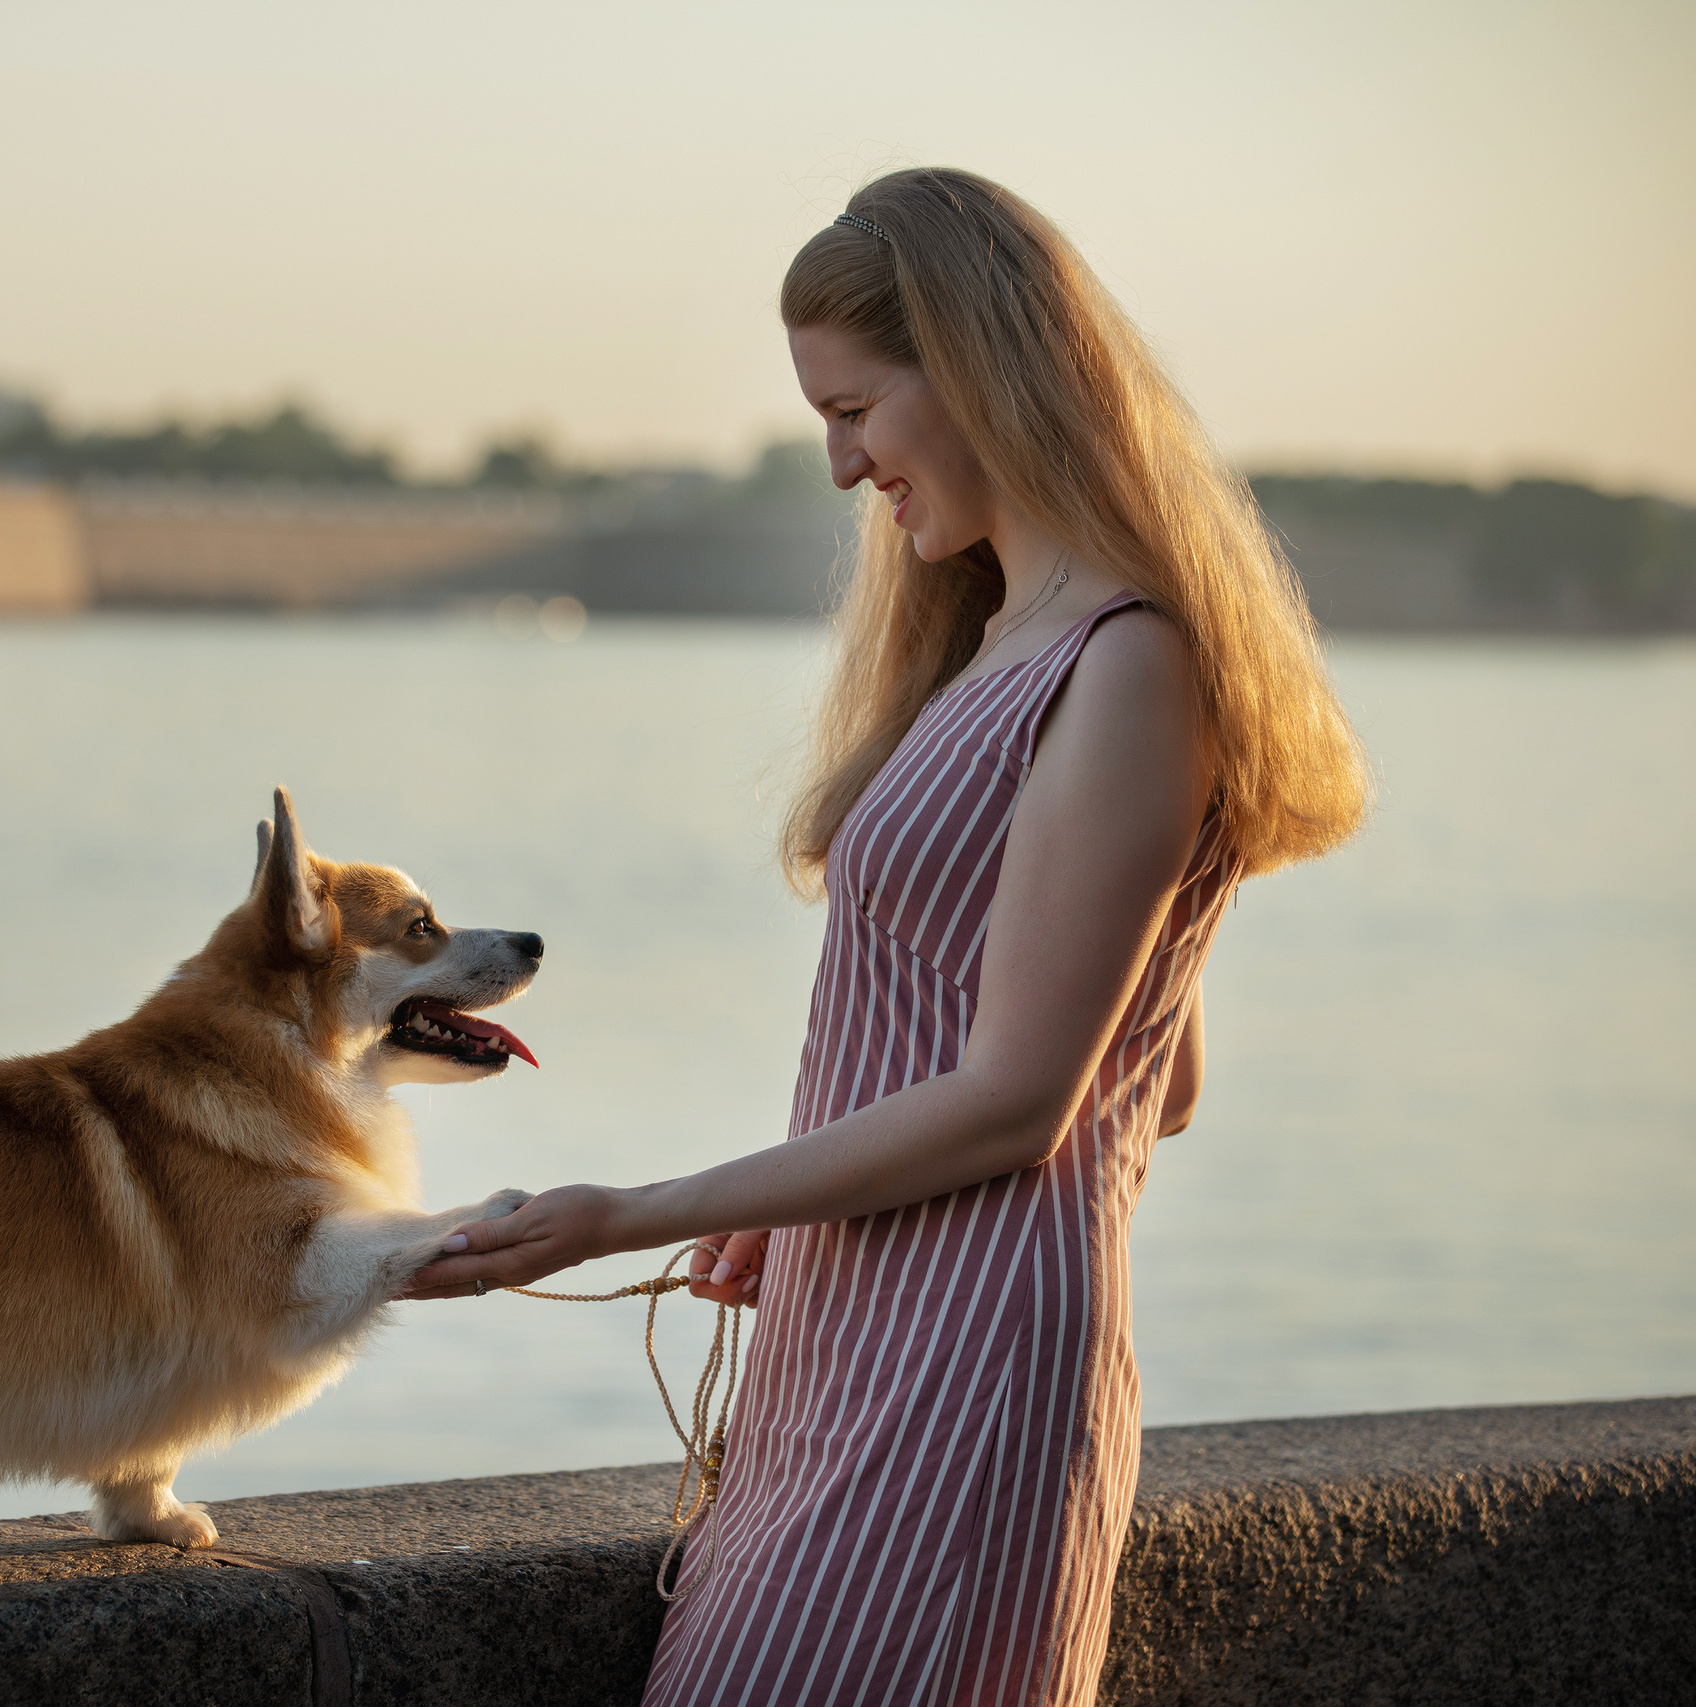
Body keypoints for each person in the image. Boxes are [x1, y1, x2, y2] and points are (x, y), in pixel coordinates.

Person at [404, 166, 1368, 1707]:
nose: (845, 466)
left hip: (964, 1359)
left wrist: (633, 1212)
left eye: (855, 411)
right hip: (855, 1335)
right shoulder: (1001, 646)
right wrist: (803, 1207)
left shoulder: (1125, 664)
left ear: (982, 371)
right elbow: (1156, 1083)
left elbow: (1025, 1102)